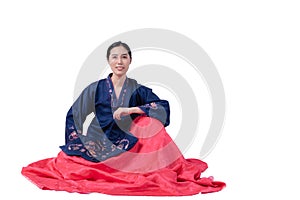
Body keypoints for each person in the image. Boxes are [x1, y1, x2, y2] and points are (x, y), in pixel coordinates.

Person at [21, 41, 225, 196]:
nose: (119, 62)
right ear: (109, 61)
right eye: (115, 57)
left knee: (150, 123)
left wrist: (132, 109)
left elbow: (162, 107)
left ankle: (143, 166)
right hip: (98, 139)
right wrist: (79, 140)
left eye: (124, 57)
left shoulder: (137, 88)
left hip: (128, 141)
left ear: (130, 61)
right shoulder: (96, 88)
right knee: (68, 163)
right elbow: (74, 114)